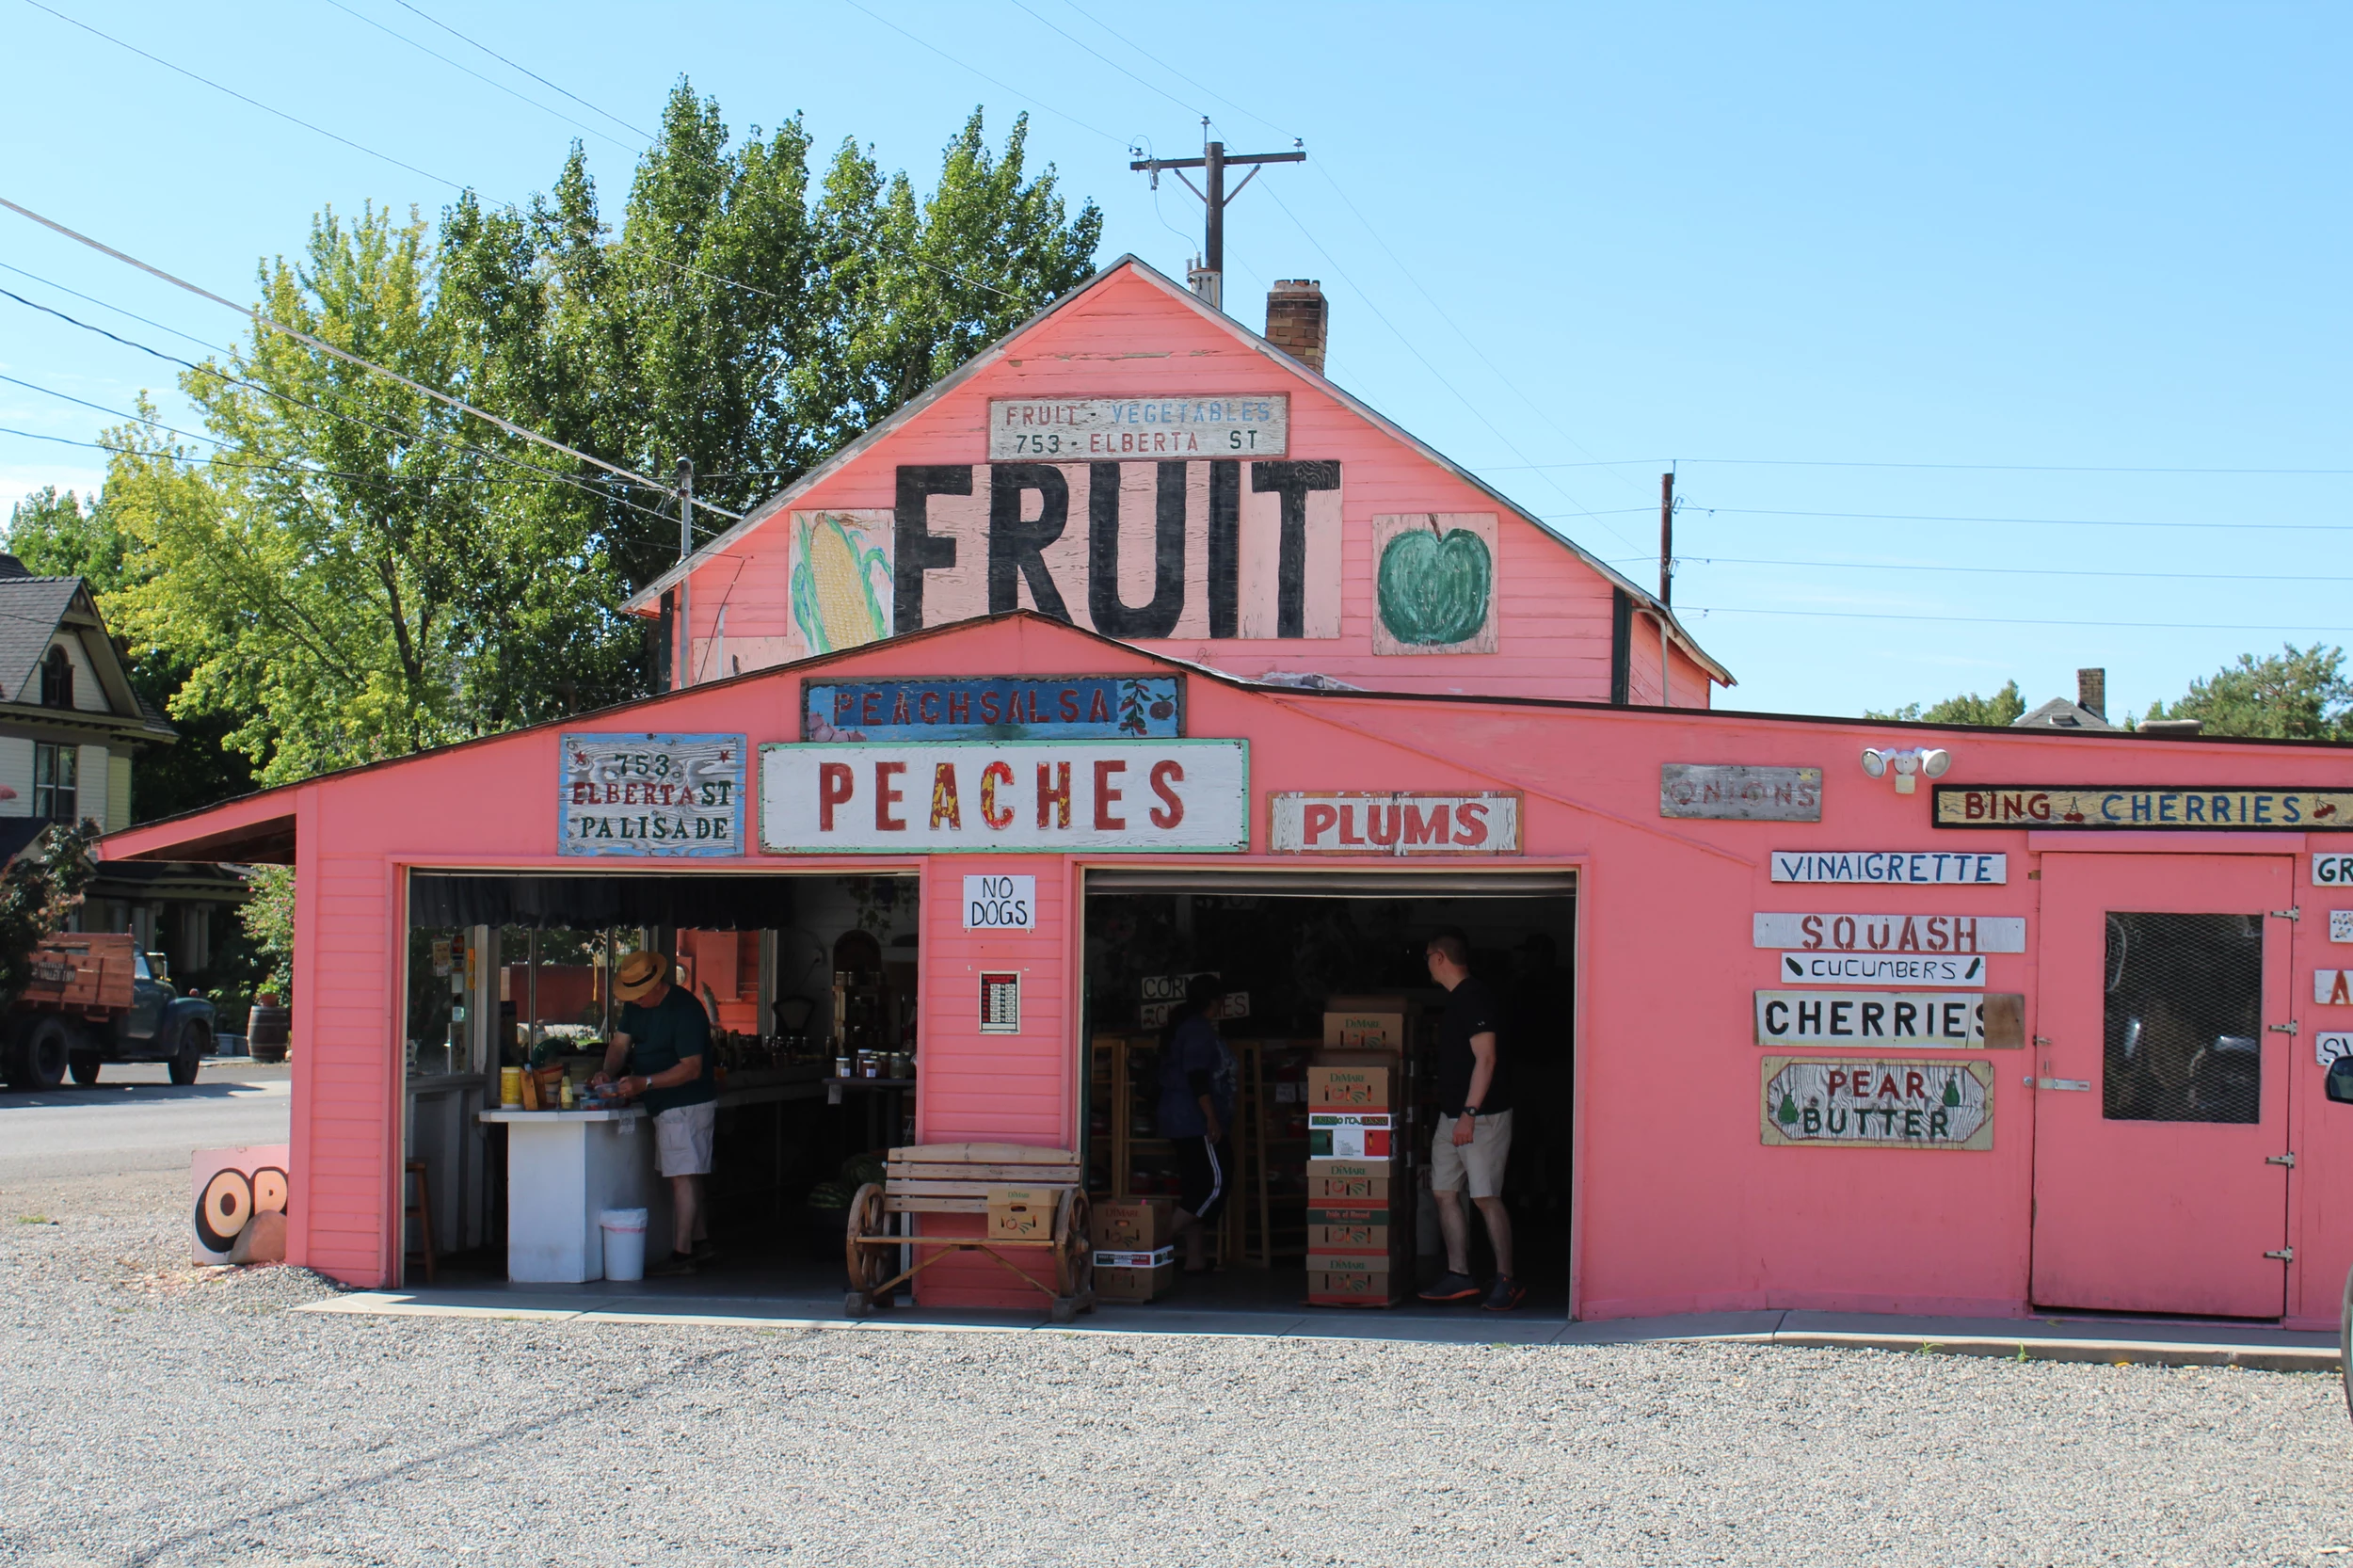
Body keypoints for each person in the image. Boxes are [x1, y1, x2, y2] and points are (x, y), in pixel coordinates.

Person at [593, 951, 718, 1277]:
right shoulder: (636, 1007)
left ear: (655, 986)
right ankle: (701, 1243)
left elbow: (692, 1069)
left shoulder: (686, 1010)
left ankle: (682, 1253)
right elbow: (620, 1046)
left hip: (686, 1102)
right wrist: (607, 1071)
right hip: (662, 1102)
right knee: (686, 1174)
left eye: (638, 994)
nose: (634, 1001)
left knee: (683, 1178)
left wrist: (643, 1082)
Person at [1417, 932, 1523, 1311]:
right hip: (1453, 1117)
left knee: (1484, 1197)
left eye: (1427, 955)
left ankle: (1507, 1279)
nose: (1425, 962)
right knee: (1444, 1192)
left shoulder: (1474, 996)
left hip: (1481, 1118)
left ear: (1440, 958)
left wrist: (1469, 1114)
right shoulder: (1458, 1000)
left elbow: (1487, 1058)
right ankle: (1459, 1274)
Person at [1158, 972, 1237, 1272]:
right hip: (1192, 1118)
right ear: (1217, 1001)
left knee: (1194, 1185)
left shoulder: (1184, 1025)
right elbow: (1196, 1075)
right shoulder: (1198, 1030)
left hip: (1177, 1116)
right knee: (1215, 1183)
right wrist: (1211, 1116)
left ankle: (1194, 1259)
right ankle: (1147, 1246)